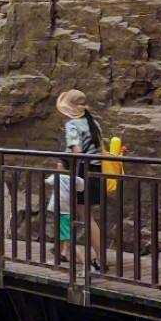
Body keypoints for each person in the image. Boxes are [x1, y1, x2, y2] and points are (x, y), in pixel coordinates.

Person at [56, 89, 103, 268]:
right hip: (95, 171)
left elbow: (77, 151)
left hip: (80, 172)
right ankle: (66, 251)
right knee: (83, 215)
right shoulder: (94, 123)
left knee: (81, 215)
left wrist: (66, 166)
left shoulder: (73, 125)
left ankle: (99, 257)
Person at [44, 156, 83, 265]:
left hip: (58, 209)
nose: (57, 164)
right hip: (69, 209)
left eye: (59, 163)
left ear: (62, 166)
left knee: (65, 234)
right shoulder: (75, 178)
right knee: (63, 232)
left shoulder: (57, 176)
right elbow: (82, 187)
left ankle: (76, 258)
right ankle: (63, 253)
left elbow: (47, 181)